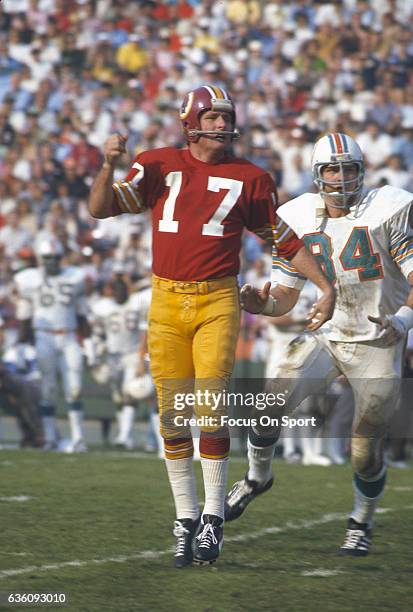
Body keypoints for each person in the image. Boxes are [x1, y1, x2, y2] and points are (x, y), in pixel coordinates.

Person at [88, 84, 335, 568]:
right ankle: (184, 519)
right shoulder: (157, 163)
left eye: (227, 116)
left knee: (211, 407)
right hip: (165, 296)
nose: (223, 124)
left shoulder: (251, 177)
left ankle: (212, 517)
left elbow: (283, 240)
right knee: (172, 413)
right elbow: (100, 208)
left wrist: (323, 286)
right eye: (214, 116)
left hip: (218, 297)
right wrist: (108, 165)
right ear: (191, 120)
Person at [225, 132, 413, 556]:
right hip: (328, 333)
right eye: (332, 168)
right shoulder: (296, 216)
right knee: (268, 404)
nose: (341, 177)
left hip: (380, 339)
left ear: (362, 171)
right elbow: (285, 296)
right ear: (317, 174)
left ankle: (361, 520)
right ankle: (257, 478)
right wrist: (263, 304)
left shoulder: (389, 207)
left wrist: (403, 320)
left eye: (348, 168)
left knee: (364, 451)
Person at [14, 238, 91, 453]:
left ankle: (78, 438)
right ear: (40, 259)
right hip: (43, 337)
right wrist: (21, 346)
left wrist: (89, 341)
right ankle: (49, 437)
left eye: (55, 258)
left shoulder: (74, 277)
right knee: (48, 389)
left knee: (74, 388)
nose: (51, 262)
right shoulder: (28, 280)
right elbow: (24, 317)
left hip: (68, 337)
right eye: (47, 258)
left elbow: (82, 314)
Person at [87, 275, 153, 450]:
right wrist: (97, 352)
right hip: (112, 356)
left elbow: (144, 330)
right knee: (118, 396)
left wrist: (141, 357)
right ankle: (126, 435)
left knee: (128, 392)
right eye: (115, 290)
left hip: (132, 354)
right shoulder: (102, 307)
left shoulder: (137, 303)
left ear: (127, 290)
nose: (118, 293)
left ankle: (124, 435)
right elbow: (97, 333)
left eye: (121, 289)